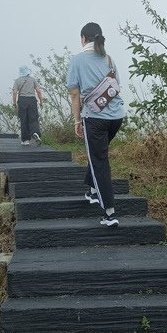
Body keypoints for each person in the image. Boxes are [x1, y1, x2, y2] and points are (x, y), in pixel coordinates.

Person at [66, 22, 125, 226]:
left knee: (100, 160)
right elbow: (117, 87)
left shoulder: (77, 60)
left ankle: (109, 213)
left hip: (95, 118)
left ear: (83, 38)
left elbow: (75, 94)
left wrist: (77, 120)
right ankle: (92, 191)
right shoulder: (108, 58)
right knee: (98, 153)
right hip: (117, 117)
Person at [12, 65, 43, 145]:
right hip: (32, 100)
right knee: (33, 118)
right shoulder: (33, 80)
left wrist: (14, 103)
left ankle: (25, 140)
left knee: (24, 119)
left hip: (22, 100)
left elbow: (15, 92)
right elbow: (38, 91)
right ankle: (35, 133)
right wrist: (41, 101)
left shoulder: (17, 81)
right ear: (28, 71)